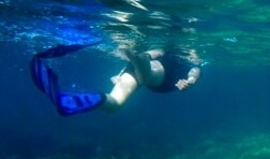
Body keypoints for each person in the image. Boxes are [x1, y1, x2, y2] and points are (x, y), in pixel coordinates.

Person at [30, 42, 202, 116]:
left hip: (141, 67)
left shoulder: (179, 54)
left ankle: (68, 101)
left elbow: (161, 52)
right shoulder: (189, 59)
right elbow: (194, 72)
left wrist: (121, 74)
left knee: (115, 103)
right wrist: (190, 82)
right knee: (148, 74)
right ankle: (140, 59)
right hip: (163, 76)